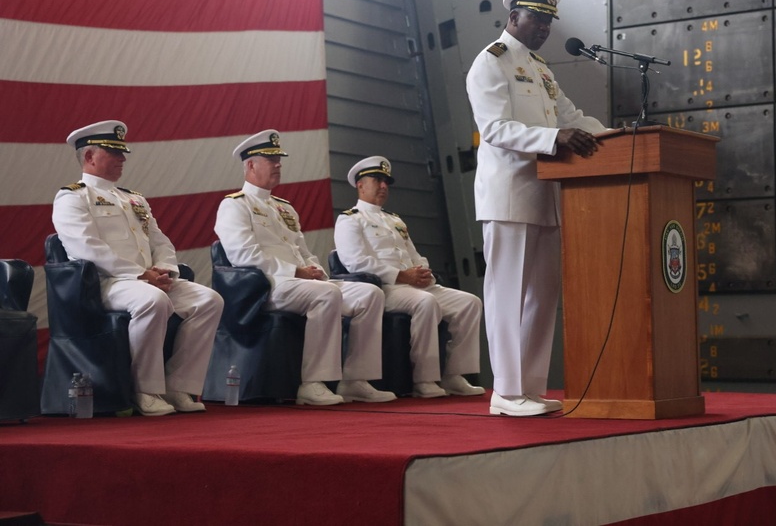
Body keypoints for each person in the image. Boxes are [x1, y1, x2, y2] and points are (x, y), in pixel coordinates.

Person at [465, 0, 607, 416]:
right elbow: (494, 130)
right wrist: (556, 137)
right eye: (536, 19)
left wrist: (619, 138)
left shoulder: (541, 69)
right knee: (507, 292)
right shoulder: (491, 63)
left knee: (542, 295)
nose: (543, 27)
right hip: (509, 192)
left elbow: (573, 117)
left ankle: (529, 386)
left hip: (546, 193)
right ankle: (505, 392)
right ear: (514, 18)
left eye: (548, 21)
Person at [53, 120, 223, 416]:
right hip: (108, 283)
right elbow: (87, 248)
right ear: (90, 157)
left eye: (122, 153)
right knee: (153, 301)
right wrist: (140, 274)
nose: (123, 159)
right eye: (114, 153)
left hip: (150, 278)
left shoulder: (135, 199)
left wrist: (165, 270)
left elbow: (161, 241)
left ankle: (179, 386)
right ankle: (146, 389)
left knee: (209, 300)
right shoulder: (72, 197)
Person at [214, 130, 396, 406]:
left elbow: (303, 250)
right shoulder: (234, 205)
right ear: (250, 165)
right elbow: (243, 255)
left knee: (371, 294)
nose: (278, 165)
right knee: (326, 295)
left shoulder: (284, 208)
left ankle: (356, 379)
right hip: (265, 286)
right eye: (270, 159)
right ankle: (313, 382)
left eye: (279, 160)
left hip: (299, 282)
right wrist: (296, 272)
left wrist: (315, 269)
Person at [335, 156, 485, 398]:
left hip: (414, 284)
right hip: (385, 288)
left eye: (386, 182)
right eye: (377, 180)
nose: (384, 186)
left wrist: (424, 274)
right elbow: (356, 261)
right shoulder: (350, 219)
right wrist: (403, 276)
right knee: (426, 302)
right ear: (360, 185)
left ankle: (454, 375)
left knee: (469, 303)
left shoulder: (395, 220)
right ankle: (424, 379)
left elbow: (415, 255)